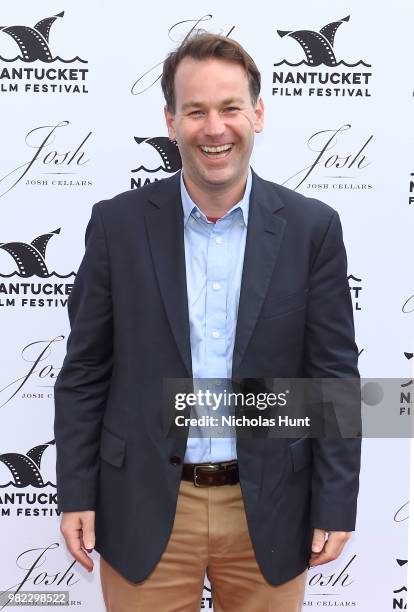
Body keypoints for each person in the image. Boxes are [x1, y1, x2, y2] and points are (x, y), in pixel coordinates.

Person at [54, 32, 361, 612]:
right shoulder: (117, 227)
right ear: (170, 121)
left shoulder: (311, 229)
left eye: (230, 108)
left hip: (271, 508)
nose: (214, 128)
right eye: (195, 110)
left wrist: (336, 501)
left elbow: (335, 380)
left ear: (258, 114)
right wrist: (76, 491)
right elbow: (85, 371)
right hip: (143, 508)